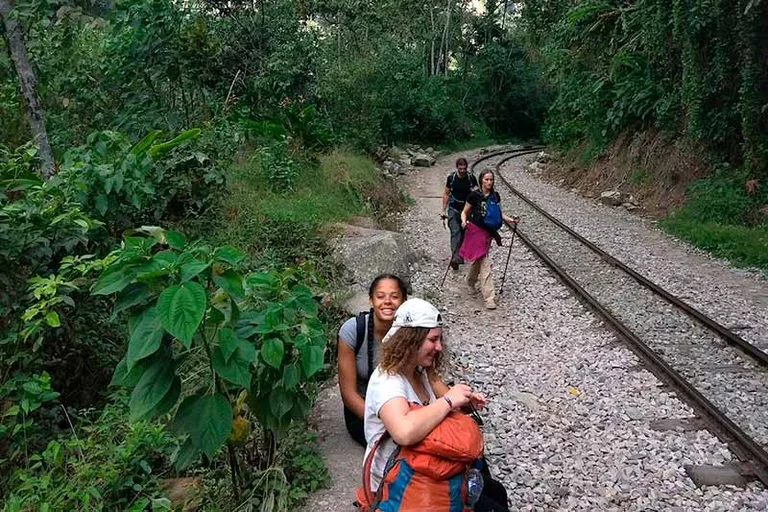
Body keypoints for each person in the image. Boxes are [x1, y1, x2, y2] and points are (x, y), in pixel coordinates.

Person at [362, 298, 508, 511]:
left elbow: (436, 408)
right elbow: (404, 432)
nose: (439, 347)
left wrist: (463, 402)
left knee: (497, 491)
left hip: (423, 464)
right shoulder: (387, 380)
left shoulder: (417, 370)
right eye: (433, 340)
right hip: (399, 482)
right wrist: (449, 401)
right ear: (411, 340)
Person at [338, 275, 450, 446]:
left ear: (404, 301)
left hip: (406, 408)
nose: (387, 302)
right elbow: (348, 393)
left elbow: (433, 378)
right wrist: (384, 421)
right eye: (380, 296)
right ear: (371, 300)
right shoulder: (354, 330)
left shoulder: (414, 333)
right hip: (367, 412)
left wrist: (459, 402)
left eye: (395, 296)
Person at [459, 168, 518, 310]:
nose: (489, 182)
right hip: (475, 231)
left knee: (480, 259)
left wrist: (511, 220)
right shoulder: (474, 195)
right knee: (485, 262)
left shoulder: (495, 196)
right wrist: (463, 221)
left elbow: (498, 213)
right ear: (481, 180)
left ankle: (470, 280)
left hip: (488, 233)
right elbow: (464, 211)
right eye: (486, 179)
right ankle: (489, 298)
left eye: (491, 179)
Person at [441, 157, 478, 270]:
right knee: (455, 232)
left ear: (466, 168)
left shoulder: (471, 178)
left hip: (467, 210)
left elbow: (477, 193)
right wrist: (443, 210)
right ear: (457, 167)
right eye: (460, 168)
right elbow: (446, 194)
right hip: (453, 208)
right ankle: (455, 257)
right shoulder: (451, 178)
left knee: (464, 233)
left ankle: (460, 255)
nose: (462, 171)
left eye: (464, 168)